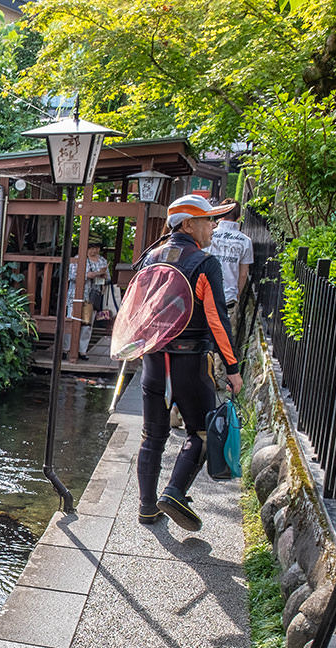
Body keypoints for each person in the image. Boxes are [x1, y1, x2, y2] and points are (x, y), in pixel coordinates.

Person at [136, 194, 243, 531]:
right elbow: (216, 319)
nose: (214, 225)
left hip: (153, 360)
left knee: (152, 436)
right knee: (202, 431)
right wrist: (233, 369)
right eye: (209, 220)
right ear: (187, 225)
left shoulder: (149, 258)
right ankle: (175, 492)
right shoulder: (203, 262)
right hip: (189, 361)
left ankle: (146, 508)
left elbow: (135, 312)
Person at [208, 202, 253, 329]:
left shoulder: (209, 235)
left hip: (208, 294)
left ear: (220, 214)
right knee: (225, 333)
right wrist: (237, 294)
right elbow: (244, 274)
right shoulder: (245, 241)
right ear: (238, 217)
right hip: (229, 296)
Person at [65, 242, 110, 359]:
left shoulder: (102, 261)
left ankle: (82, 350)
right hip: (76, 294)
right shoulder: (77, 259)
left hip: (93, 296)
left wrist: (103, 275)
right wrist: (91, 274)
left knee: (87, 324)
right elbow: (71, 275)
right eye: (92, 248)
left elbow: (108, 277)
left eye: (97, 248)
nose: (94, 251)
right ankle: (66, 349)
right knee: (71, 320)